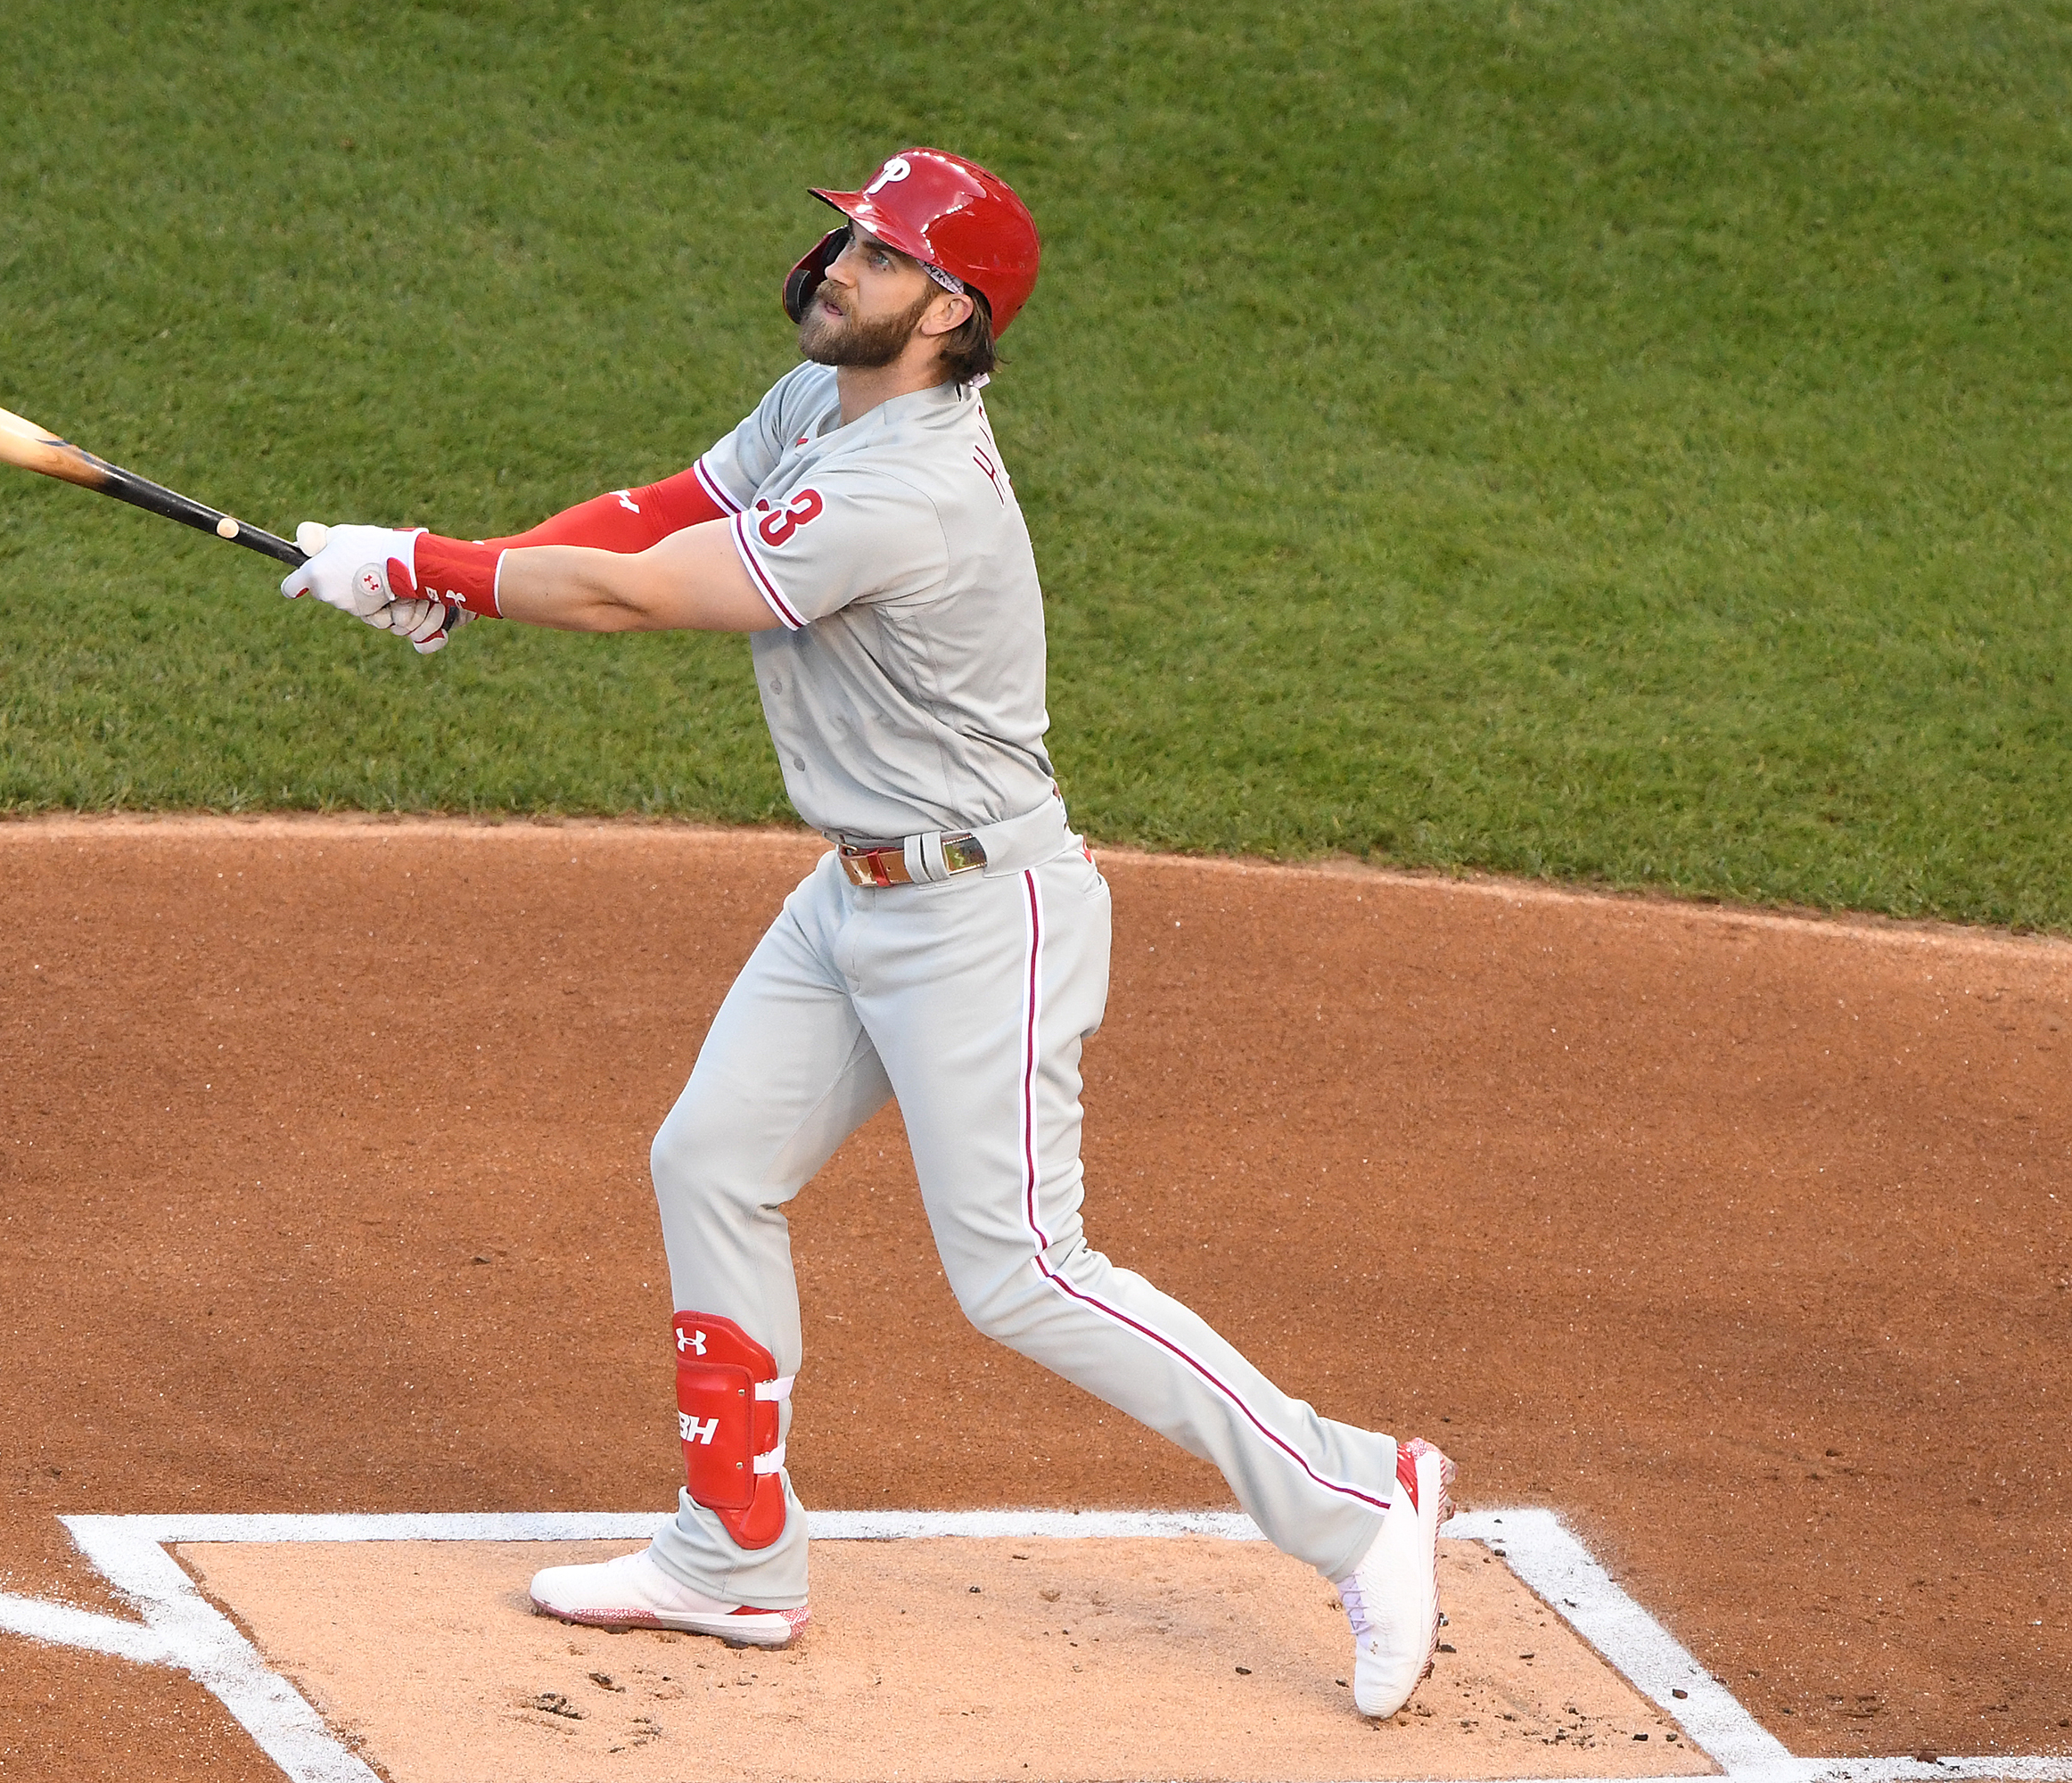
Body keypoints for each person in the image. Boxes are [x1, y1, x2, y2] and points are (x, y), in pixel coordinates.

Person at [282, 147, 1456, 1720]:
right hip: (854, 895)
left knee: (1025, 1274)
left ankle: (1360, 1495)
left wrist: (434, 566)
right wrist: (473, 582)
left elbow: (648, 597)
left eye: (876, 252)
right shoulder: (823, 402)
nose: (836, 264)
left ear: (949, 310)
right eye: (845, 235)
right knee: (711, 1162)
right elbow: (652, 518)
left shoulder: (907, 486)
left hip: (984, 914)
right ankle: (733, 1554)